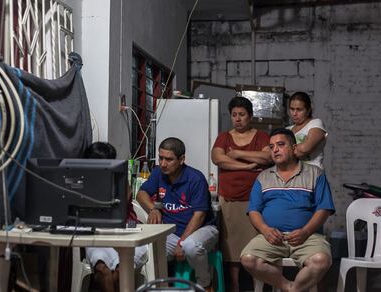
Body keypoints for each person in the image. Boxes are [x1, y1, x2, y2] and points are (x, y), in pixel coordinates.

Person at [240, 128, 335, 292]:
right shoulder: (263, 177)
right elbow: (254, 210)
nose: (275, 149)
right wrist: (265, 230)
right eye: (271, 146)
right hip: (272, 237)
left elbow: (324, 209)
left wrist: (305, 231)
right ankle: (289, 288)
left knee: (321, 260)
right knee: (248, 259)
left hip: (308, 237)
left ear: (293, 147)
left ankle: (293, 288)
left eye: (280, 144)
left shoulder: (315, 174)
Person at [136, 137, 218, 292]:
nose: (163, 163)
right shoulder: (158, 173)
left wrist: (182, 242)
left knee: (190, 246)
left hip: (202, 229)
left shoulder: (196, 178)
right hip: (171, 233)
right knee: (146, 251)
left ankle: (206, 284)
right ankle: (157, 287)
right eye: (161, 158)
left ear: (181, 159)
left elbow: (199, 216)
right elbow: (141, 194)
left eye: (169, 159)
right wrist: (153, 208)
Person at [211, 96, 271, 292]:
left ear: (250, 116)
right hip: (229, 197)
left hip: (255, 199)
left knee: (256, 245)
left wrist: (238, 154)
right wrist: (251, 166)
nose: (238, 119)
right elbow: (218, 159)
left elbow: (268, 156)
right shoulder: (224, 137)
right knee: (231, 246)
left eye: (242, 115)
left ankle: (256, 286)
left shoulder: (261, 136)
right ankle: (235, 286)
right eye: (234, 115)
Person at [84, 142, 148, 292]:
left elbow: (117, 207)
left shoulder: (120, 180)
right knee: (103, 270)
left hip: (126, 233)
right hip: (97, 236)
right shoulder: (83, 182)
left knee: (120, 270)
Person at [286, 91, 328, 169]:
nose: (294, 113)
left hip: (313, 174)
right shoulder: (288, 129)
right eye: (292, 109)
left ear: (308, 110)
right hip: (294, 176)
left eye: (299, 110)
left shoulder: (315, 123)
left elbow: (304, 149)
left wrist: (283, 152)